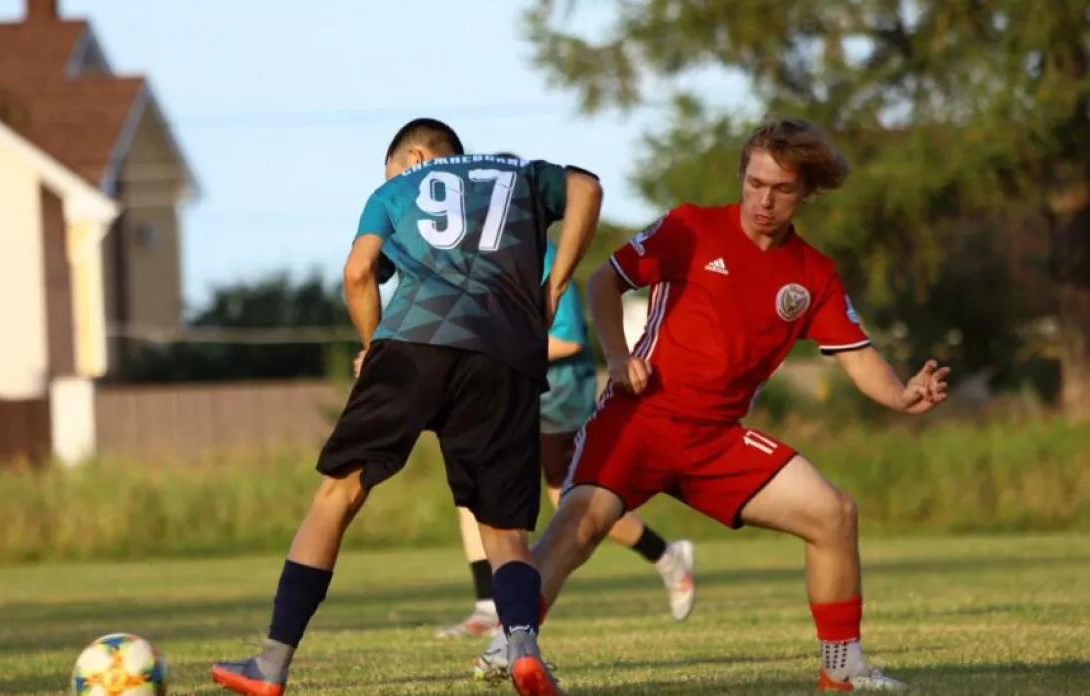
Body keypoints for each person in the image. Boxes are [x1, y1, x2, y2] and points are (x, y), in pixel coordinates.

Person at [471, 117, 948, 692]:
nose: (764, 200)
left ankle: (843, 668)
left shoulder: (812, 275)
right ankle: (510, 645)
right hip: (638, 417)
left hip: (716, 438)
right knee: (579, 525)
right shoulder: (690, 226)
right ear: (742, 175)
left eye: (781, 189)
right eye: (755, 183)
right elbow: (604, 281)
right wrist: (618, 356)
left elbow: (857, 354)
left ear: (806, 192)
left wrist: (900, 394)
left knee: (834, 514)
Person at [211, 119, 603, 696]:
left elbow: (358, 273)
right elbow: (587, 187)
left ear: (415, 157)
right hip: (504, 353)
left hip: (415, 341)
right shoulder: (518, 175)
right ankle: (523, 648)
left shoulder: (396, 190)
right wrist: (555, 286)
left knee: (338, 494)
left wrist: (373, 348)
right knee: (504, 530)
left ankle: (270, 665)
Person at [435, 168, 696, 640]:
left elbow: (569, 339)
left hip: (557, 395)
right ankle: (489, 605)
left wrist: (495, 350)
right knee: (475, 491)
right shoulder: (479, 259)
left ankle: (666, 555)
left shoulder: (543, 256)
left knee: (569, 504)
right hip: (510, 392)